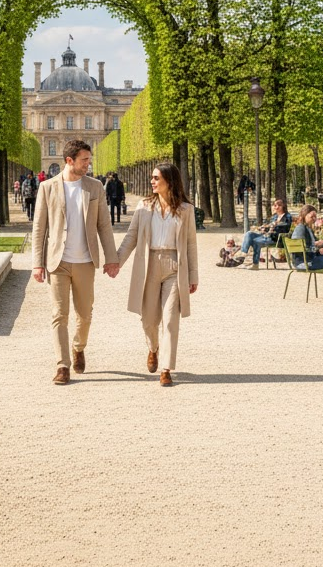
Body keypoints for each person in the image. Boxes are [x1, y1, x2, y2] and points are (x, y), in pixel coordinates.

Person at [31, 139, 119, 385]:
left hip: (85, 260)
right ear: (69, 161)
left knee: (85, 314)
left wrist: (111, 259)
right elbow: (40, 228)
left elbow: (104, 225)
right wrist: (37, 263)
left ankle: (78, 347)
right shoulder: (48, 187)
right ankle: (62, 365)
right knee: (59, 314)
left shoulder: (95, 187)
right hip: (57, 261)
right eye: (84, 160)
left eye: (89, 160)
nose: (88, 165)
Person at [116, 163, 199, 387]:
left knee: (171, 319)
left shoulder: (186, 209)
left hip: (174, 266)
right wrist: (116, 262)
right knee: (149, 321)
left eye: (156, 178)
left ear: (169, 182)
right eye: (152, 178)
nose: (152, 181)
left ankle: (166, 368)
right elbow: (131, 237)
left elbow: (191, 243)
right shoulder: (144, 207)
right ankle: (153, 348)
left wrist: (193, 275)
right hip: (149, 264)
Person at [291, 204, 323, 285]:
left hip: (310, 259)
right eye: (312, 216)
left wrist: (320, 248)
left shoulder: (308, 229)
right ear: (305, 215)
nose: (314, 219)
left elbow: (312, 246)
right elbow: (298, 248)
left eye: (315, 216)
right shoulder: (300, 228)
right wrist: (316, 248)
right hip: (304, 262)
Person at [233, 198, 292, 269]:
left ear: (283, 206)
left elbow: (286, 226)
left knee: (256, 241)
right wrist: (263, 228)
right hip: (267, 235)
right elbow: (268, 226)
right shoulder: (274, 217)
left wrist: (276, 224)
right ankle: (243, 254)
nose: (277, 207)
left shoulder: (287, 216)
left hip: (276, 238)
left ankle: (255, 264)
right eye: (275, 205)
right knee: (249, 234)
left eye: (279, 205)